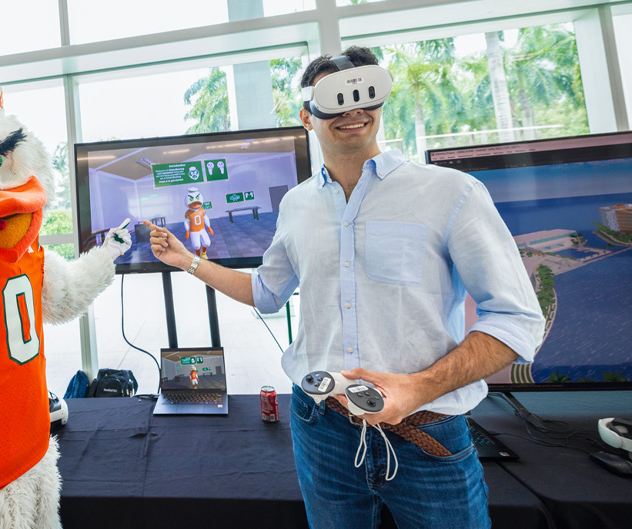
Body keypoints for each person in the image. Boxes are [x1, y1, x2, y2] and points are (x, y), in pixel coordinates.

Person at [143, 46, 544, 529]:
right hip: (320, 428)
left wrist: (417, 388)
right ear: (307, 116)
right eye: (335, 98)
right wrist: (187, 261)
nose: (353, 110)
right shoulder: (296, 205)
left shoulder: (451, 193)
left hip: (426, 432)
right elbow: (268, 294)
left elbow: (518, 319)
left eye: (365, 95)